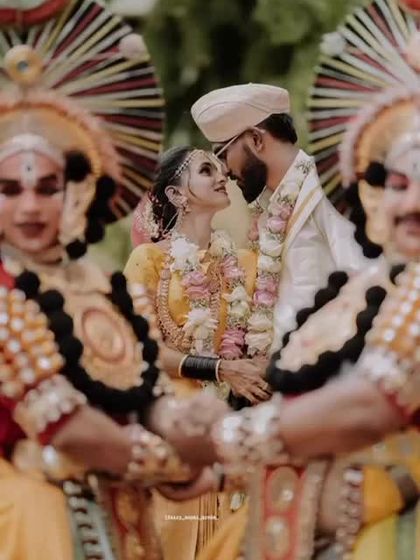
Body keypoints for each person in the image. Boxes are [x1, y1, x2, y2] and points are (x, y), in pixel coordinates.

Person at [0, 3, 227, 559]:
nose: (30, 207)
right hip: (29, 512)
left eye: (47, 188)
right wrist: (178, 465)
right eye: (9, 190)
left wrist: (191, 422)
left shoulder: (99, 284)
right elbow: (63, 424)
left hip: (119, 507)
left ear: (75, 192)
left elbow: (146, 392)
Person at [125, 146, 271, 560]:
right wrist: (220, 369)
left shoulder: (247, 262)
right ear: (176, 195)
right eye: (207, 170)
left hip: (234, 427)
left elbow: (262, 339)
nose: (222, 176)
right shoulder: (148, 260)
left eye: (221, 169)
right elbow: (141, 351)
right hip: (176, 426)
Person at [191, 83, 373, 352]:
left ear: (256, 139)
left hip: (328, 361)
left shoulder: (326, 187)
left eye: (223, 153)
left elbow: (363, 282)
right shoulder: (268, 208)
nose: (224, 171)